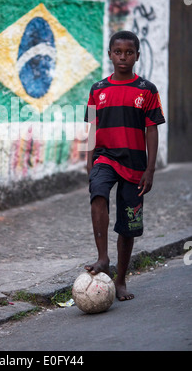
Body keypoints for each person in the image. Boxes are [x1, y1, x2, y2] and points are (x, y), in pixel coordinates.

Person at [84, 30, 165, 301]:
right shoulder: (97, 89)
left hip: (135, 164)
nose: (123, 57)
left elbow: (152, 130)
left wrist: (150, 169)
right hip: (105, 157)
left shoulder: (147, 90)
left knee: (128, 225)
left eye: (129, 53)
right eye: (118, 52)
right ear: (109, 55)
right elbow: (92, 127)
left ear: (137, 56)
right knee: (98, 194)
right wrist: (89, 160)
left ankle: (120, 281)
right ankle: (103, 257)